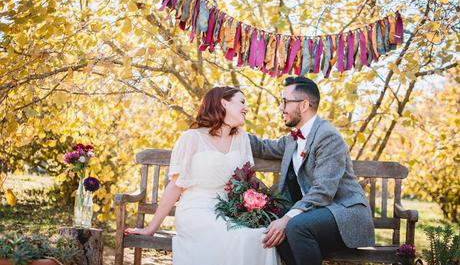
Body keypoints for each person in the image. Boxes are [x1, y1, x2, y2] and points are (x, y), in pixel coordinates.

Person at [125, 86, 280, 265]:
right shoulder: (191, 138)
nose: (246, 108)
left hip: (230, 211)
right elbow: (175, 186)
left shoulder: (241, 138)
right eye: (242, 102)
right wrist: (151, 229)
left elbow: (249, 180)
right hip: (196, 212)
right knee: (241, 236)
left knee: (261, 236)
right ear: (224, 103)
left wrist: (265, 204)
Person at [249, 76, 375, 265]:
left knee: (294, 226)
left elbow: (324, 191)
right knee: (273, 222)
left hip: (344, 214)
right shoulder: (294, 139)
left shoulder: (328, 136)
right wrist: (230, 128)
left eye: (285, 102)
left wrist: (287, 218)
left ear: (304, 105)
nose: (281, 108)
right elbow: (264, 147)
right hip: (317, 214)